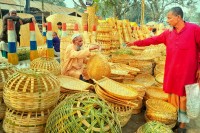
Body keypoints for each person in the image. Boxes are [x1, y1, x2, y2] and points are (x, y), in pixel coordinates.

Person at [126, 7, 200, 133]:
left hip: (188, 71)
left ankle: (182, 125)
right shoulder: (168, 33)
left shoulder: (194, 29)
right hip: (172, 71)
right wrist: (135, 43)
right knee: (173, 97)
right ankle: (176, 118)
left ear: (178, 17)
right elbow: (153, 40)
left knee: (184, 98)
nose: (167, 20)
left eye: (169, 17)